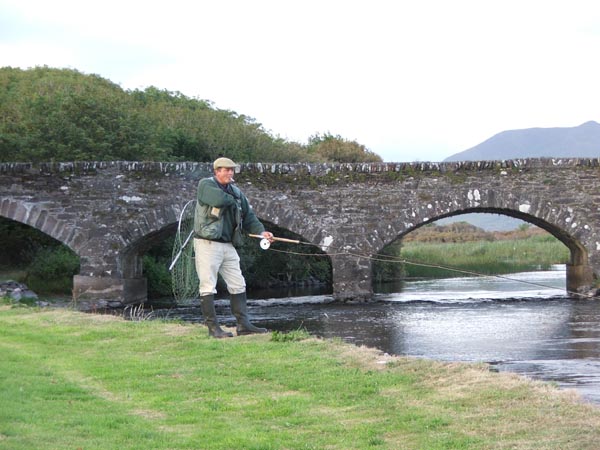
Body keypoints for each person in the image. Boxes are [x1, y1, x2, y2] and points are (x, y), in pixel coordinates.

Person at [193, 157, 274, 338]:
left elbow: (249, 217)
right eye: (225, 170)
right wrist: (235, 200)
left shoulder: (236, 193)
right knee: (208, 285)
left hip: (228, 244)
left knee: (238, 283)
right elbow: (219, 200)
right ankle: (213, 329)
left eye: (231, 170)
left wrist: (263, 232)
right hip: (207, 243)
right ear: (216, 171)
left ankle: (243, 325)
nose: (229, 173)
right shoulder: (205, 185)